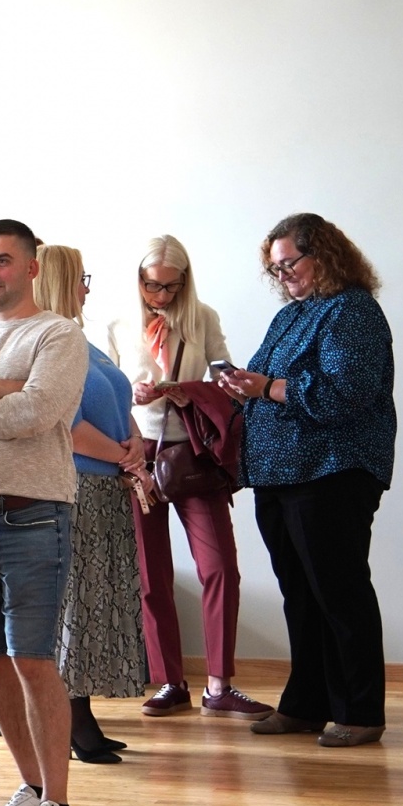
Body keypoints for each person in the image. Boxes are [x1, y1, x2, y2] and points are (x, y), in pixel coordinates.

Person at [220, 213, 395, 748]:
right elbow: (262, 381)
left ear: (324, 254)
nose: (283, 276)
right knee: (300, 594)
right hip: (278, 474)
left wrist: (267, 388)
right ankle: (306, 704)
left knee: (340, 593)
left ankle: (360, 711)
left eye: (289, 263)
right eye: (275, 269)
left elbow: (346, 393)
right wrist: (235, 386)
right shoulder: (291, 316)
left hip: (331, 472)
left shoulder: (352, 310)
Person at [0, 219, 88, 806]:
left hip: (33, 516)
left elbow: (37, 413)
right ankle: (31, 790)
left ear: (31, 267)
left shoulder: (57, 335)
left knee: (33, 659)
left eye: (2, 260)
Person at [111, 235, 271, 720]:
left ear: (185, 282)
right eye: (151, 285)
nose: (160, 295)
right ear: (138, 280)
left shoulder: (203, 318)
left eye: (171, 286)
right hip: (137, 453)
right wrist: (133, 395)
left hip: (192, 455)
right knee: (151, 572)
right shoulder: (118, 324)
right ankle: (170, 682)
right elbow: (106, 392)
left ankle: (219, 684)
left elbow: (228, 381)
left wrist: (187, 391)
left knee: (219, 566)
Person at [31, 245, 149, 763]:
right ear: (60, 281)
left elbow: (119, 405)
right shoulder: (51, 342)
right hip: (78, 487)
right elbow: (69, 426)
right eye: (81, 277)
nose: (87, 286)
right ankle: (73, 720)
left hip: (105, 489)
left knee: (97, 601)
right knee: (76, 604)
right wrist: (125, 457)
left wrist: (135, 442)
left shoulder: (83, 340)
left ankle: (82, 715)